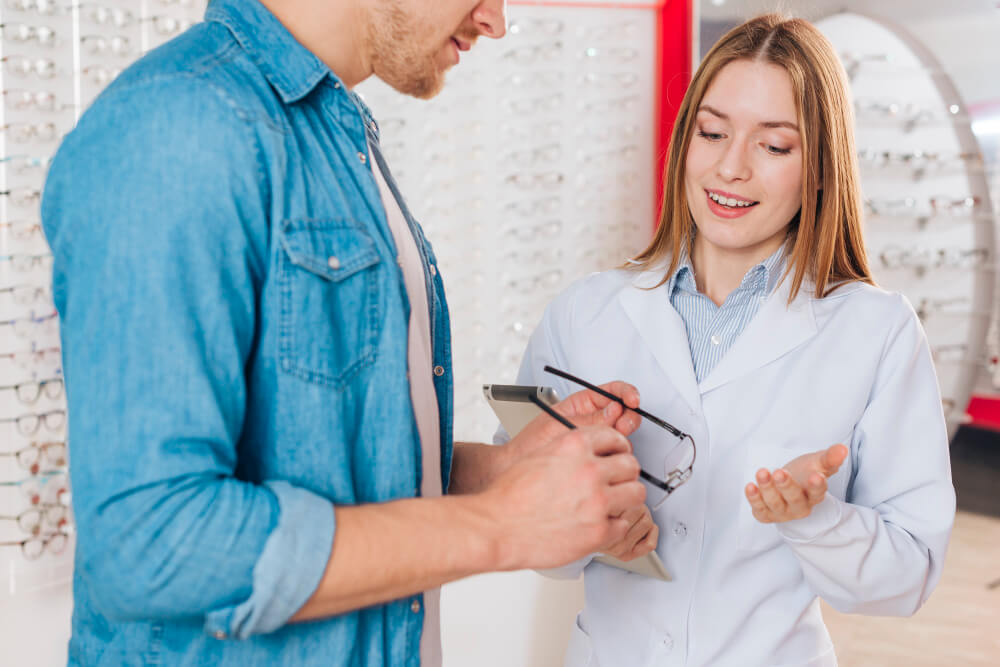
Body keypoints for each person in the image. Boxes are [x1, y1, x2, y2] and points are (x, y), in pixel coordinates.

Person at [39, 0, 658, 664]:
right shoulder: (179, 125)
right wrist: (502, 524)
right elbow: (150, 540)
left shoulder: (334, 134)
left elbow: (322, 458)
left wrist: (501, 472)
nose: (495, 20)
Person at [510, 13, 956, 666]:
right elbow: (522, 522)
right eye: (711, 132)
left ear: (822, 169)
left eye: (774, 146)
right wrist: (589, 524)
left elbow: (909, 572)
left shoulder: (877, 332)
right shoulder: (586, 315)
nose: (730, 167)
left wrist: (813, 515)